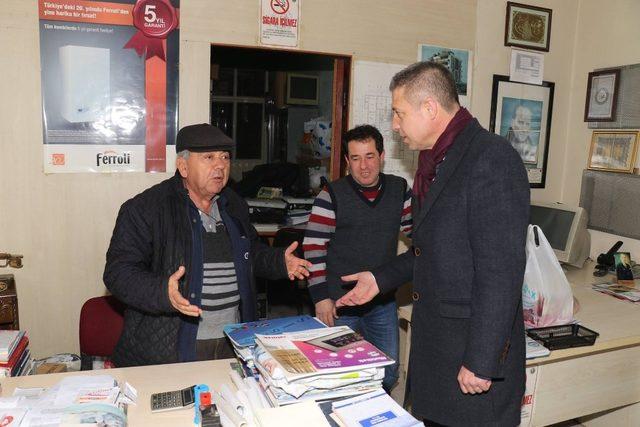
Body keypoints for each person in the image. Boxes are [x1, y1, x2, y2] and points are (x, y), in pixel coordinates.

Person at [336, 62, 530, 426]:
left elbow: (501, 271)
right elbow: (432, 251)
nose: (394, 125)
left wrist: (481, 360)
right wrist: (379, 279)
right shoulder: (433, 163)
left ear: (429, 108)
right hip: (439, 353)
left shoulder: (491, 159)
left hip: (471, 360)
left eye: (399, 113)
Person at [103, 123, 311, 367]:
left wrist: (278, 262)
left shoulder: (233, 204)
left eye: (225, 157)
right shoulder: (145, 209)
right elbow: (117, 272)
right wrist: (161, 291)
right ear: (183, 166)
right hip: (173, 346)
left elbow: (249, 253)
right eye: (209, 157)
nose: (220, 165)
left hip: (233, 339)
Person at [302, 124, 412, 392]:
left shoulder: (400, 189)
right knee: (338, 376)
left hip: (382, 302)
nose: (364, 166)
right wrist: (320, 298)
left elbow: (421, 236)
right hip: (339, 305)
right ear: (346, 161)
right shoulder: (331, 195)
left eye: (370, 156)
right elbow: (314, 248)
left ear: (382, 156)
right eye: (355, 158)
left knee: (387, 371)